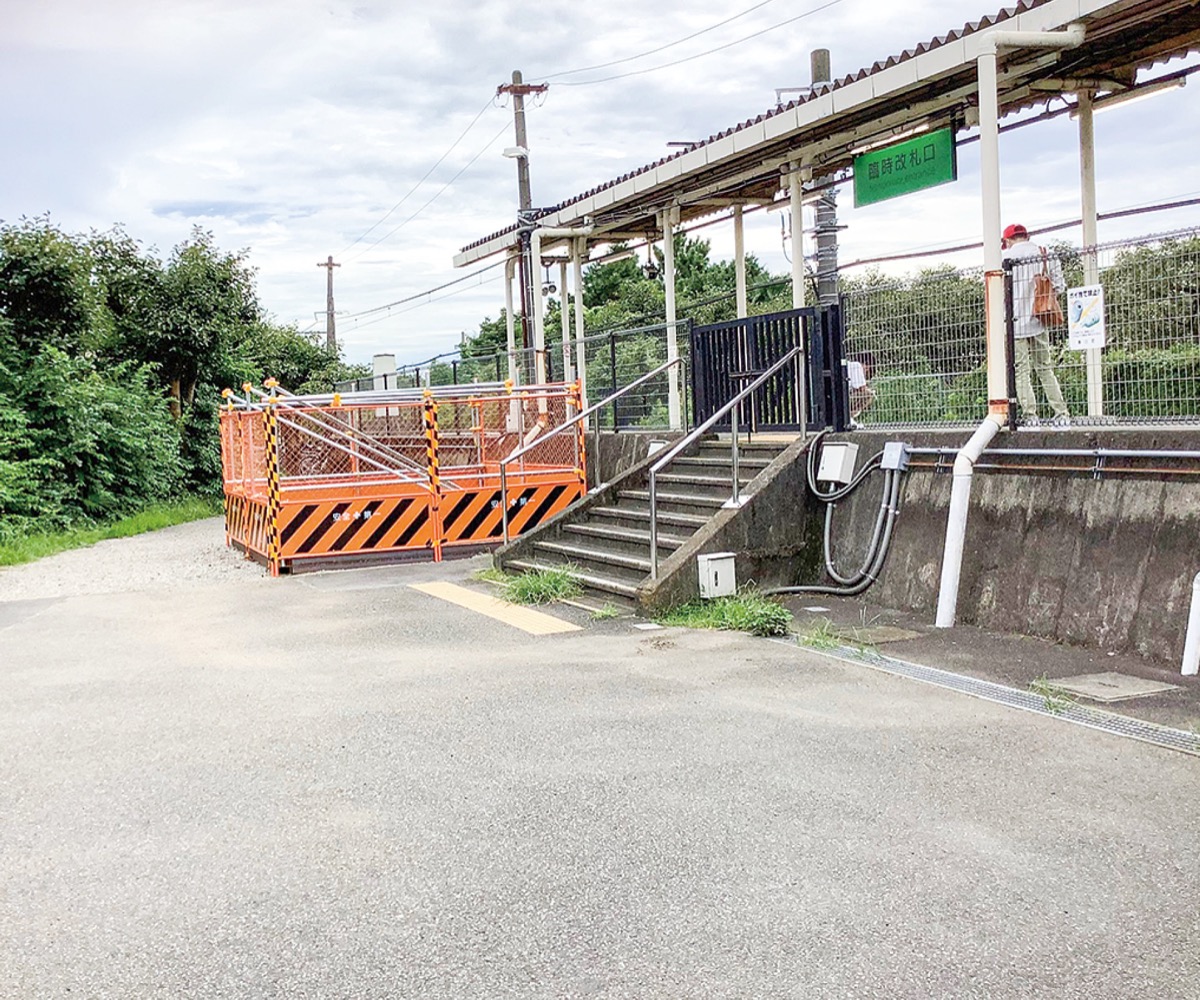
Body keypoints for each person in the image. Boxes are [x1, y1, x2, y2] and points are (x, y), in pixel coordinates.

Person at [1002, 223, 1069, 426]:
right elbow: (1060, 285)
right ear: (1026, 236)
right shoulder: (1045, 254)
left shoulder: (1005, 258)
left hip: (1014, 323)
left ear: (1008, 240)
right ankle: (1061, 414)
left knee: (1021, 371)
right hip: (1040, 319)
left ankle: (1031, 417)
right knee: (1045, 368)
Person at [846, 351, 875, 428]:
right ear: (867, 366)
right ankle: (849, 417)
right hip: (845, 398)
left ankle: (849, 418)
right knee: (868, 395)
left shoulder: (848, 365)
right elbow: (861, 388)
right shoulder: (857, 366)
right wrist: (873, 392)